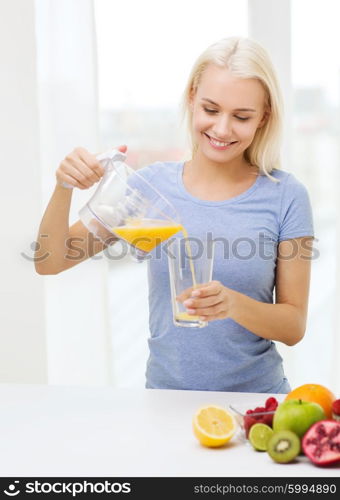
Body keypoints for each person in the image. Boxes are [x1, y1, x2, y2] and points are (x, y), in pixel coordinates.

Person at [35, 37, 314, 393]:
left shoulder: (284, 195)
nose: (223, 129)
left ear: (264, 117)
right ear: (192, 98)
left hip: (256, 404)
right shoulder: (152, 190)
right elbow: (50, 260)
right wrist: (64, 186)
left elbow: (293, 326)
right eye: (211, 110)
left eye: (242, 116)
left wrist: (231, 303)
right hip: (166, 403)